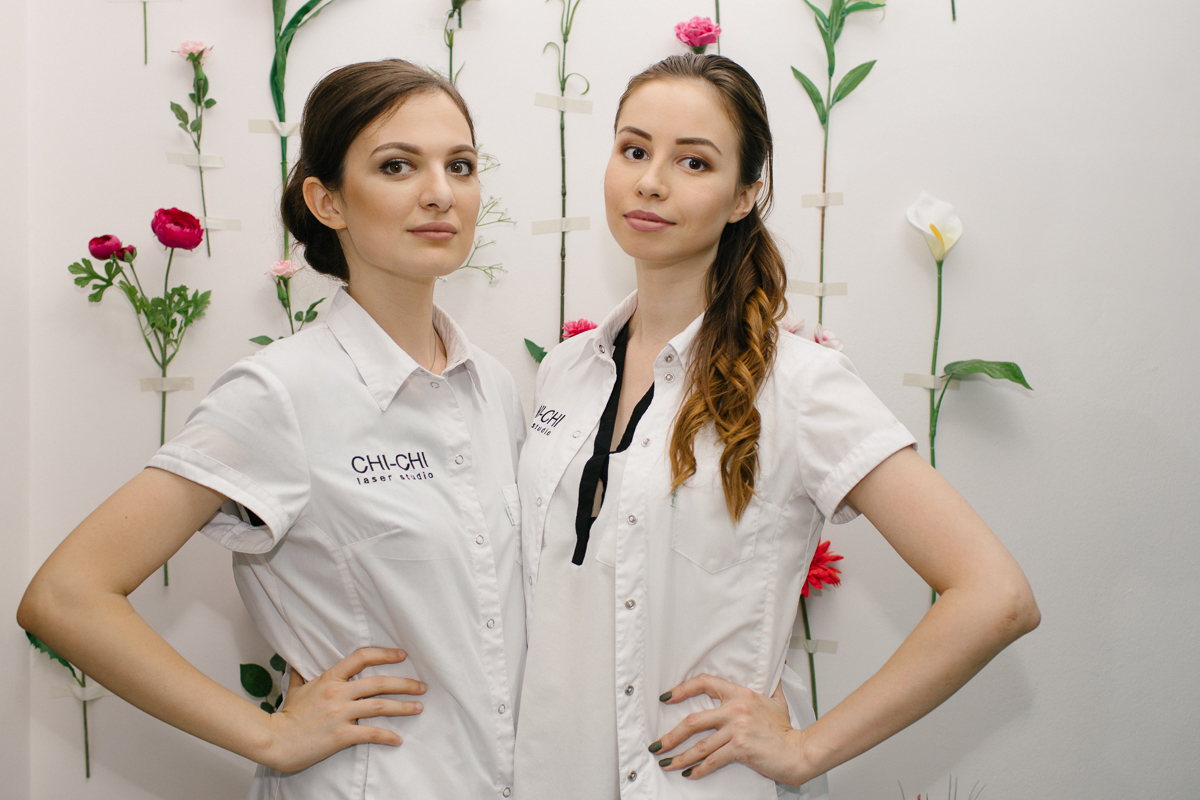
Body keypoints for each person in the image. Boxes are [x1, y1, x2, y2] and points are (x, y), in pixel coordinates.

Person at [512, 54, 1040, 800]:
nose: (651, 181)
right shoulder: (567, 370)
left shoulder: (798, 384)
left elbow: (995, 595)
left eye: (693, 161)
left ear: (744, 195)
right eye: (634, 149)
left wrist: (806, 750)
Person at [18, 60, 527, 799]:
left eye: (461, 165)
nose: (440, 193)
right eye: (397, 166)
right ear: (328, 201)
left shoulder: (494, 387)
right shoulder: (281, 392)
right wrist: (271, 736)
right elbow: (66, 595)